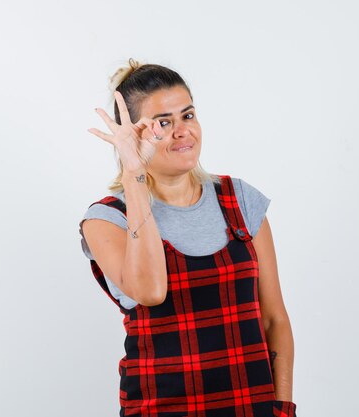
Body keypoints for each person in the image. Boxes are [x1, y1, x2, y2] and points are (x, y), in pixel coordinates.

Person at [78, 59, 298, 417]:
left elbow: (275, 320)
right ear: (132, 134)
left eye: (188, 115)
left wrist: (282, 407)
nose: (182, 131)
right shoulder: (106, 220)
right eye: (163, 123)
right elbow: (150, 291)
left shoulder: (239, 200)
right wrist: (134, 172)